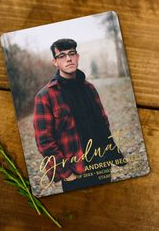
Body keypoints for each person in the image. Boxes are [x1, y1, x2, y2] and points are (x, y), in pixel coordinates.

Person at [33, 38, 126, 192]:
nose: (68, 58)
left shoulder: (89, 88)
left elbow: (103, 122)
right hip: (76, 171)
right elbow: (44, 141)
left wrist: (109, 156)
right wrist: (66, 174)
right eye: (61, 56)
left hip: (101, 163)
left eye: (71, 53)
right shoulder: (45, 96)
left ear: (77, 57)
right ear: (55, 62)